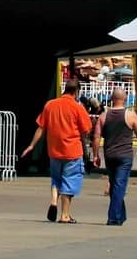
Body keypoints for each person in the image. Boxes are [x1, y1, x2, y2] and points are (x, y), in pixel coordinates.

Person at [21, 78, 94, 224]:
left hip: (54, 151)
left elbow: (41, 127)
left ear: (64, 89)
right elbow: (87, 130)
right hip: (72, 151)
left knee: (56, 179)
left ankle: (54, 201)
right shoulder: (77, 107)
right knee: (70, 181)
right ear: (76, 91)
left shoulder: (50, 105)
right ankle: (65, 215)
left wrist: (31, 145)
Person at [94, 89, 137, 226]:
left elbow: (96, 137)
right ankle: (113, 217)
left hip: (109, 155)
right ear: (125, 99)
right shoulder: (130, 115)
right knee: (119, 186)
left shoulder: (103, 116)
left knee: (115, 185)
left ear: (112, 98)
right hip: (125, 156)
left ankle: (120, 216)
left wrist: (95, 155)